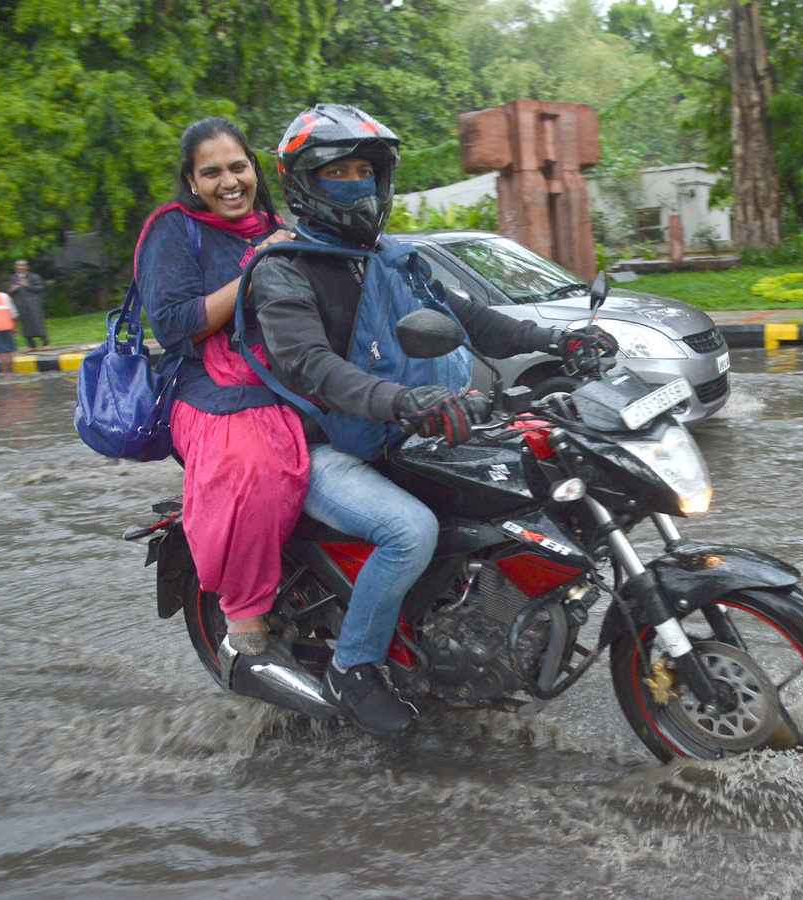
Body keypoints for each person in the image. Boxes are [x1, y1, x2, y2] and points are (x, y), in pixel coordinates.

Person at [250, 103, 617, 736]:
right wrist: (407, 400)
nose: (357, 184)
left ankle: (474, 628)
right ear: (304, 183)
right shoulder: (284, 269)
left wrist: (560, 340)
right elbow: (310, 366)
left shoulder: (397, 259)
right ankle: (354, 666)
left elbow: (477, 322)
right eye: (338, 172)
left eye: (366, 170)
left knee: (537, 480)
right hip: (322, 445)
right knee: (409, 531)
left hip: (407, 431)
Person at [135, 117, 301, 656]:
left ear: (254, 167)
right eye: (212, 173)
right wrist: (259, 263)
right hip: (209, 388)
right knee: (250, 467)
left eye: (237, 167)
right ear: (191, 180)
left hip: (291, 377)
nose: (229, 182)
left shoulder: (280, 225)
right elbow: (177, 324)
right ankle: (245, 609)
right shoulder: (173, 229)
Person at [7, 259, 48, 348]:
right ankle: (31, 344)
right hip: (21, 302)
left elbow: (40, 288)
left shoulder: (33, 276)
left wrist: (28, 286)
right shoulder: (13, 277)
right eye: (18, 265)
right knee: (25, 323)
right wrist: (13, 289)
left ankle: (44, 342)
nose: (20, 267)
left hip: (33, 302)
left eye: (22, 265)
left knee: (37, 321)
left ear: (27, 267)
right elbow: (9, 290)